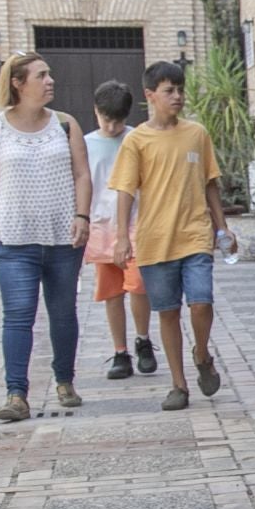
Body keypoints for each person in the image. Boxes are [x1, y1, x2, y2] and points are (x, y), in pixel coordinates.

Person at [0, 52, 92, 422]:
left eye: (50, 74)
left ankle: (65, 381)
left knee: (63, 314)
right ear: (18, 84)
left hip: (62, 237)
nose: (50, 80)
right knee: (19, 316)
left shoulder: (66, 125)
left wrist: (82, 216)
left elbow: (82, 175)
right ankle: (16, 394)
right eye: (42, 75)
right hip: (13, 238)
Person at [110, 61, 229, 412]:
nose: (177, 96)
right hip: (154, 239)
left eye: (180, 89)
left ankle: (202, 352)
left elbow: (211, 183)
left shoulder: (197, 133)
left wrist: (222, 227)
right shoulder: (136, 141)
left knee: (201, 302)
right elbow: (125, 191)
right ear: (150, 96)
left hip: (195, 234)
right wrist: (121, 237)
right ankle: (178, 385)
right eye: (169, 91)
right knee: (167, 312)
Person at [83, 81, 154, 380]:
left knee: (138, 285)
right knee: (111, 291)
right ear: (96, 112)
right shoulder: (85, 143)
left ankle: (143, 339)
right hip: (101, 224)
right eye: (106, 119)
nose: (112, 127)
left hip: (137, 221)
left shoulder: (138, 138)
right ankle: (120, 350)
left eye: (118, 121)